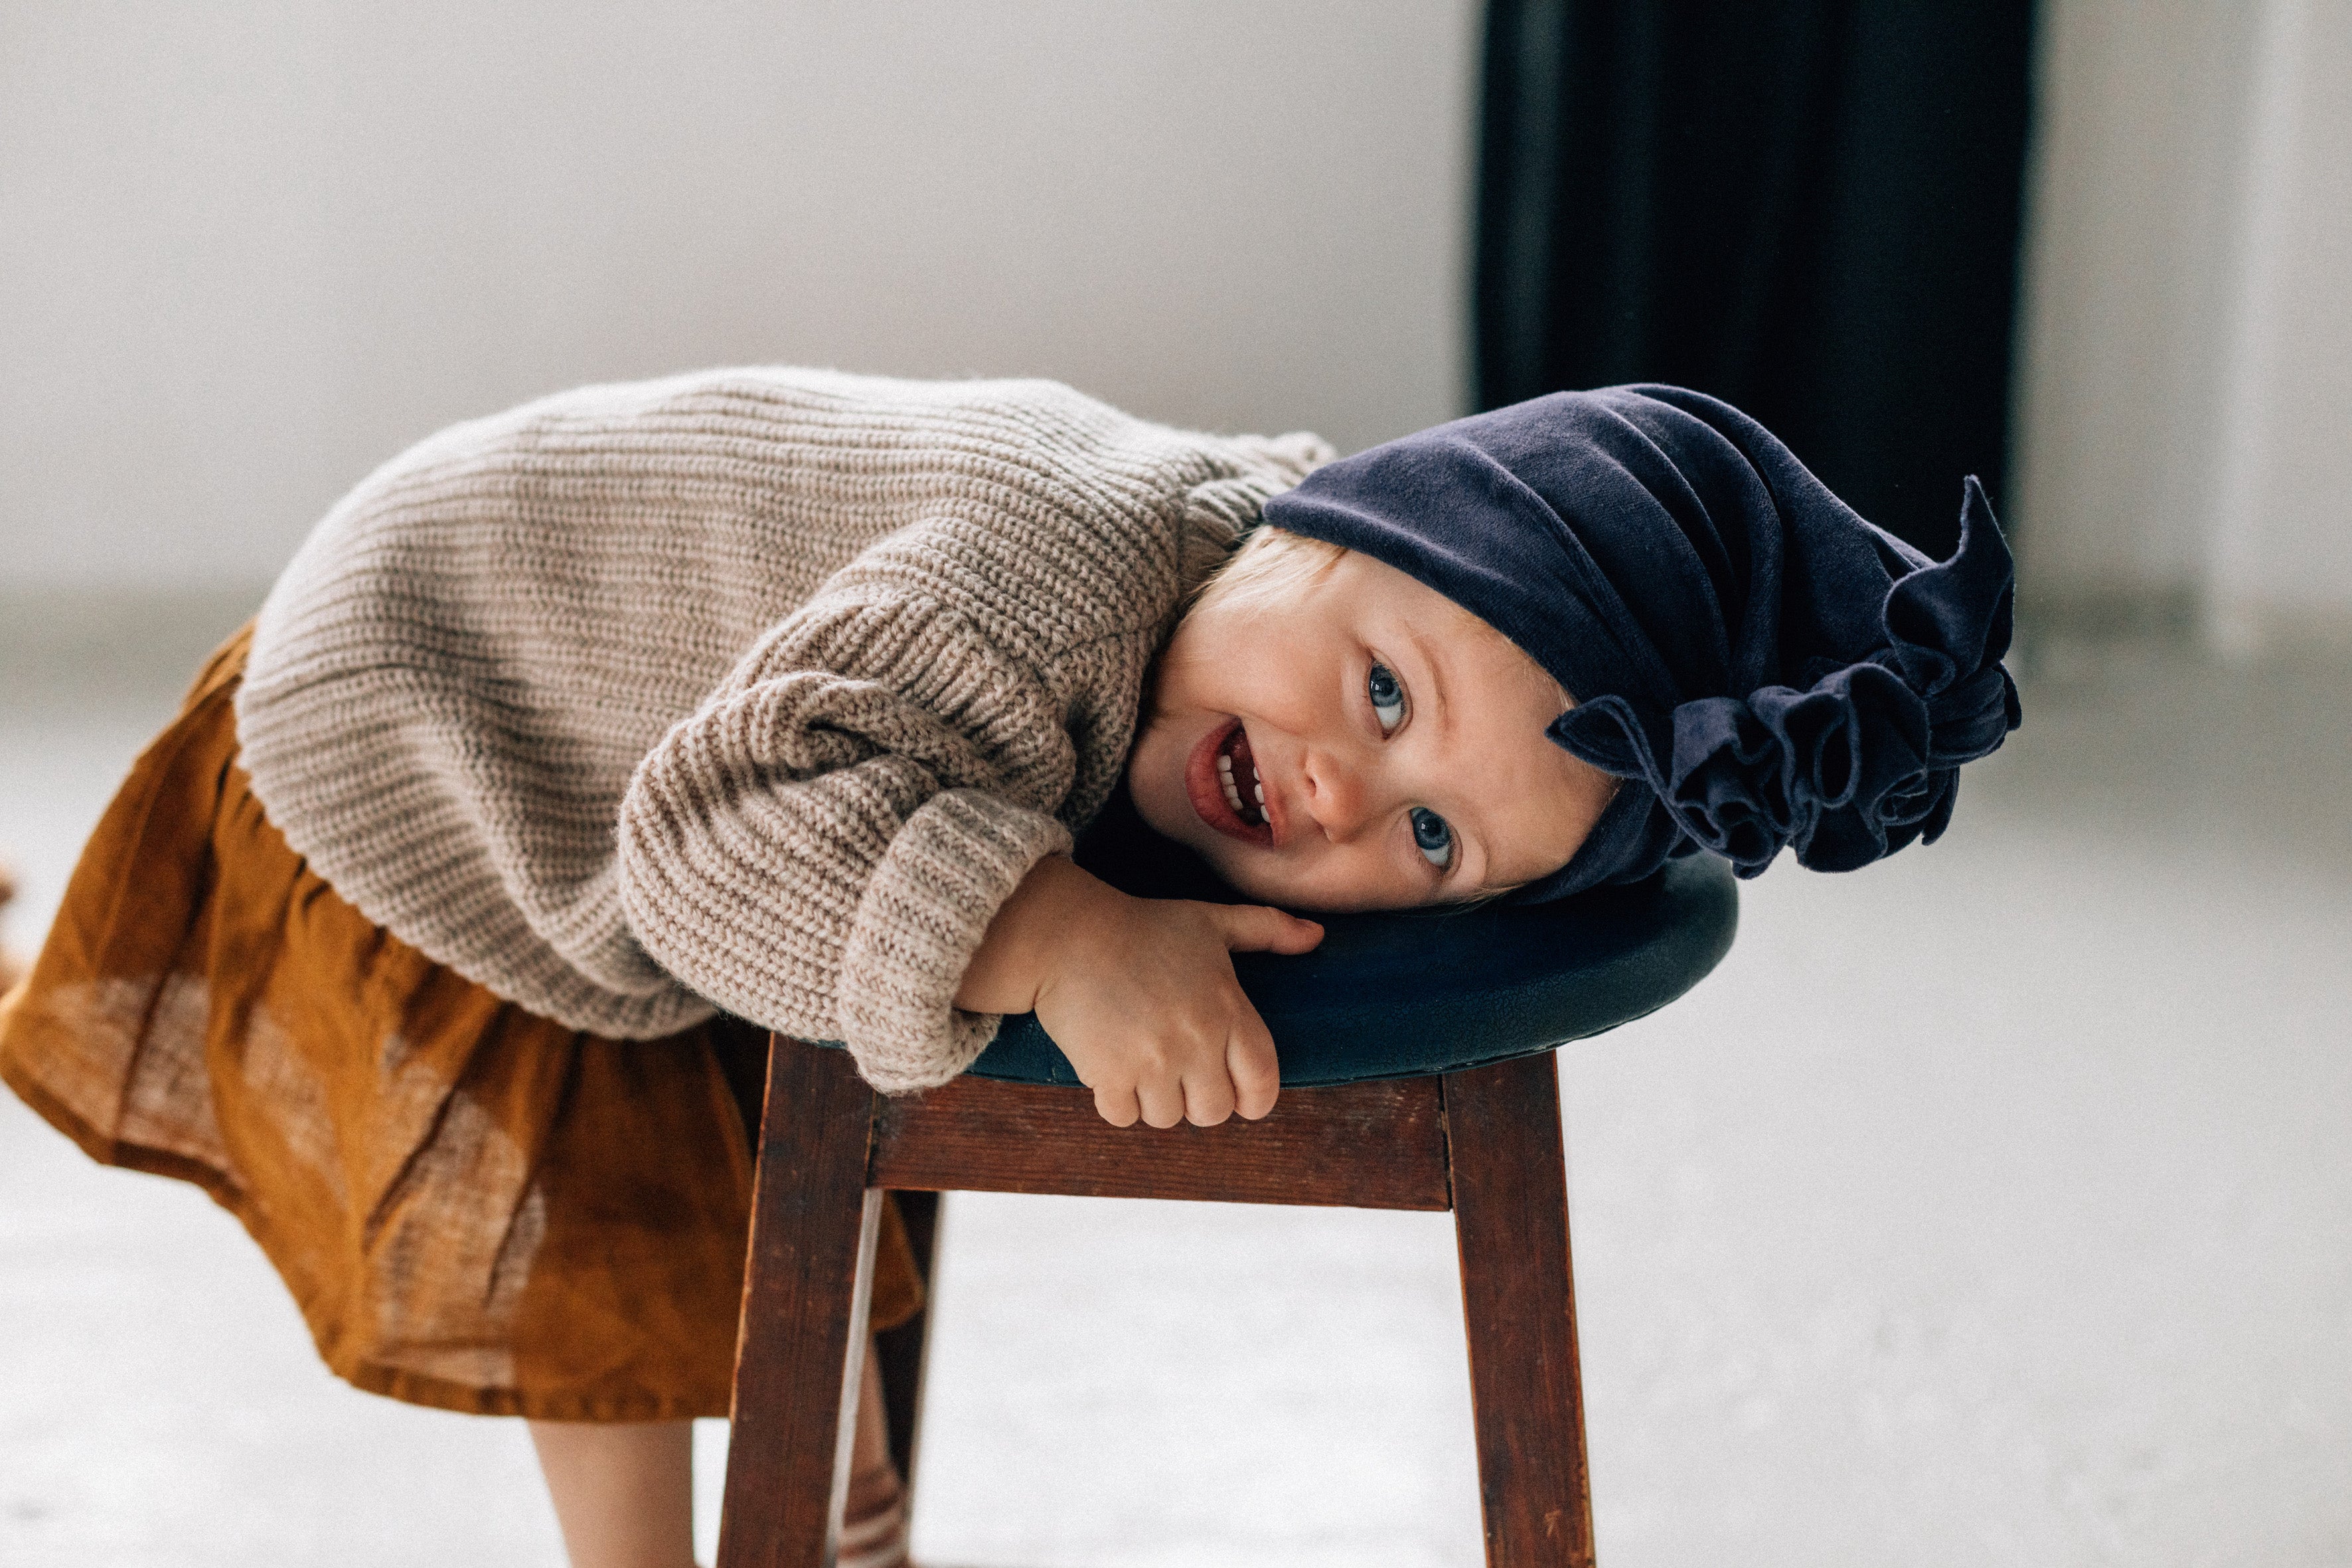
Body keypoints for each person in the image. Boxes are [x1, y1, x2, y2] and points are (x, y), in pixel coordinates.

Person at [0, 369, 2017, 1567]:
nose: (1333, 785)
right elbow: (706, 833)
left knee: (818, 1052)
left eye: (1431, 837)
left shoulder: (1251, 610)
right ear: (1314, 522)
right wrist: (1054, 925)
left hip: (690, 734)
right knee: (602, 1219)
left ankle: (837, 1504)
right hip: (463, 709)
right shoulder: (1054, 579)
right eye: (1383, 688)